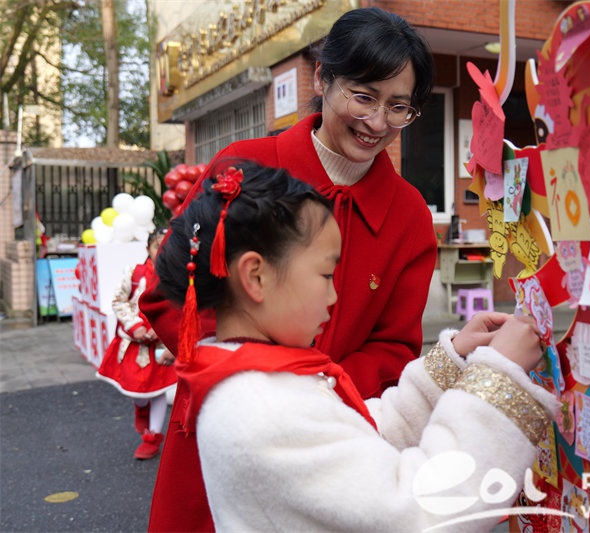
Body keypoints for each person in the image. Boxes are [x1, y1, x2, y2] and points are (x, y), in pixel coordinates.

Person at [142, 8, 438, 530]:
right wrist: (250, 377)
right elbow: (169, 293)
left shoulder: (410, 214)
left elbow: (395, 347)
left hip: (334, 440)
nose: (377, 123)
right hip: (226, 438)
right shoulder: (244, 166)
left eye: (398, 108)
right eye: (364, 97)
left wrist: (314, 394)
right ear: (322, 77)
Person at [154, 161, 559, 532]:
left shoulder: (254, 381)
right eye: (326, 274)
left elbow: (352, 436)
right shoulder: (263, 408)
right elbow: (421, 512)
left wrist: (450, 368)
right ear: (256, 276)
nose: (332, 296)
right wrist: (496, 380)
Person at [95, 228, 176, 460]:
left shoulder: (176, 275)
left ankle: (152, 437)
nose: (161, 252)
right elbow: (119, 301)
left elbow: (177, 307)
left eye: (166, 247)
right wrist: (135, 327)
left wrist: (159, 329)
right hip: (134, 343)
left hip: (161, 344)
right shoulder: (134, 273)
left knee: (159, 390)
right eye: (156, 247)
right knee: (138, 390)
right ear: (147, 249)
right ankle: (141, 407)